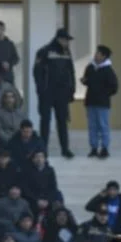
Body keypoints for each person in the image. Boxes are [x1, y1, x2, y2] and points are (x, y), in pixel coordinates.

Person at [34, 28, 75, 158]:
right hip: (47, 92)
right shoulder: (44, 51)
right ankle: (43, 149)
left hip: (62, 93)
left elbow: (71, 72)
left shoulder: (66, 52)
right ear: (59, 39)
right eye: (66, 40)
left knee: (62, 121)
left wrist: (72, 89)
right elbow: (37, 72)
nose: (67, 42)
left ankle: (65, 149)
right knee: (45, 121)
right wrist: (41, 90)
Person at [81, 45, 118, 158]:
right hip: (91, 101)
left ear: (104, 56)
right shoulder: (90, 67)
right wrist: (84, 81)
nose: (95, 55)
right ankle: (93, 147)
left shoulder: (108, 70)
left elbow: (114, 87)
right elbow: (87, 80)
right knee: (92, 126)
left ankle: (105, 148)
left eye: (98, 53)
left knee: (103, 125)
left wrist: (103, 93)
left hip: (102, 103)